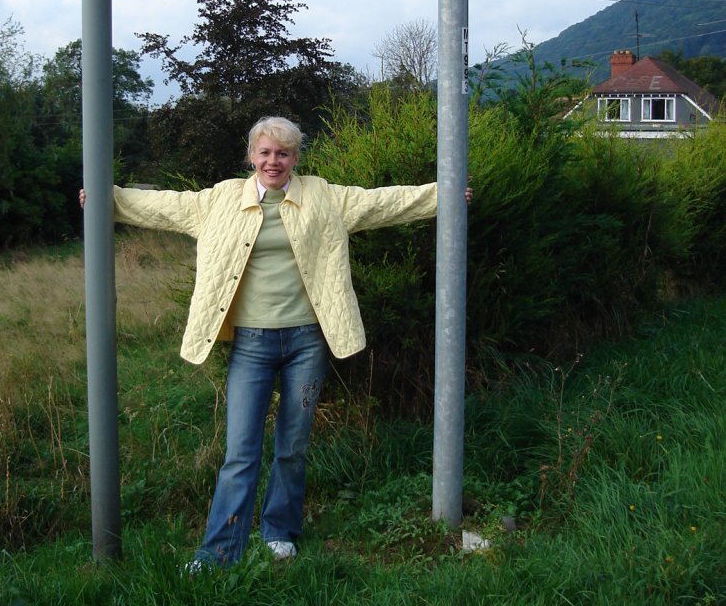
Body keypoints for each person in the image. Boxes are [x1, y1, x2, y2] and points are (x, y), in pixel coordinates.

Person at [81, 115, 470, 570]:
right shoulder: (222, 199)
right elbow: (164, 206)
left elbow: (382, 203)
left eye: (283, 153)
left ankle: (279, 532)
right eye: (265, 152)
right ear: (251, 156)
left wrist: (444, 195)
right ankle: (218, 553)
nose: (273, 161)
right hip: (251, 346)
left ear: (295, 158)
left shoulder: (323, 196)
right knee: (240, 453)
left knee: (292, 446)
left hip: (307, 343)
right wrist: (107, 200)